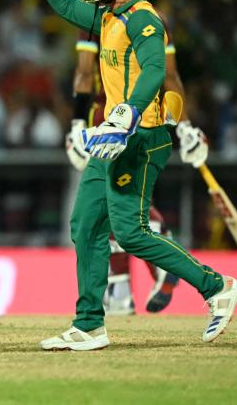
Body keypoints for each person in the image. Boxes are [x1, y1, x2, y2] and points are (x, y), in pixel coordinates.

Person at [18, 0, 237, 350]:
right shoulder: (105, 17)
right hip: (114, 136)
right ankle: (89, 324)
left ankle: (217, 287)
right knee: (85, 225)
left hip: (142, 138)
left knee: (133, 232)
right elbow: (66, 5)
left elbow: (157, 71)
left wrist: (129, 113)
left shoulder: (143, 17)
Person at [66, 31, 211, 315]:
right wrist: (186, 126)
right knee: (124, 197)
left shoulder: (95, 19)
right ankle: (126, 282)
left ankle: (126, 284)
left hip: (107, 118)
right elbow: (170, 78)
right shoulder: (155, 21)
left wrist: (75, 126)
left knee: (105, 205)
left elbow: (84, 74)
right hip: (148, 120)